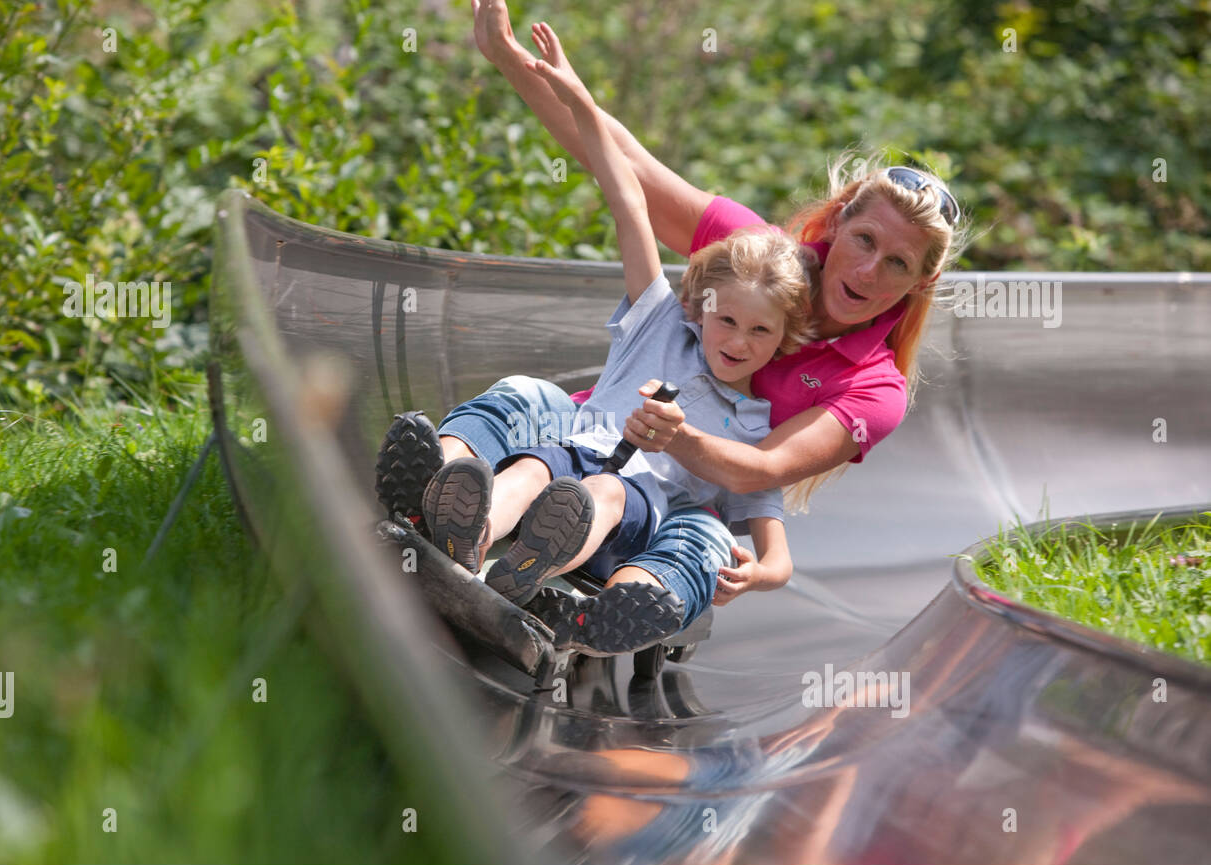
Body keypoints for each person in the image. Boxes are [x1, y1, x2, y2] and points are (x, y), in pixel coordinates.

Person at [376, 1, 969, 648]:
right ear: (835, 224)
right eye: (863, 241)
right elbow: (624, 171)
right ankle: (442, 493)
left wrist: (688, 453)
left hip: (668, 502)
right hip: (582, 441)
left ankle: (593, 617)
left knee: (700, 534)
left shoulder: (874, 390)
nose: (869, 271)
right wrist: (510, 60)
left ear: (921, 282)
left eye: (898, 263)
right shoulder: (751, 261)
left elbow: (754, 476)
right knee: (529, 399)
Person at [414, 21, 812, 652]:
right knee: (540, 469)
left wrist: (760, 573)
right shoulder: (657, 322)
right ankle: (472, 537)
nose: (738, 339)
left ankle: (546, 568)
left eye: (761, 330)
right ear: (698, 309)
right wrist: (577, 97)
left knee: (596, 489)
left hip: (632, 517)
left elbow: (778, 553)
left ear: (785, 340)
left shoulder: (753, 429)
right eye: (727, 319)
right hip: (572, 460)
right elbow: (627, 198)